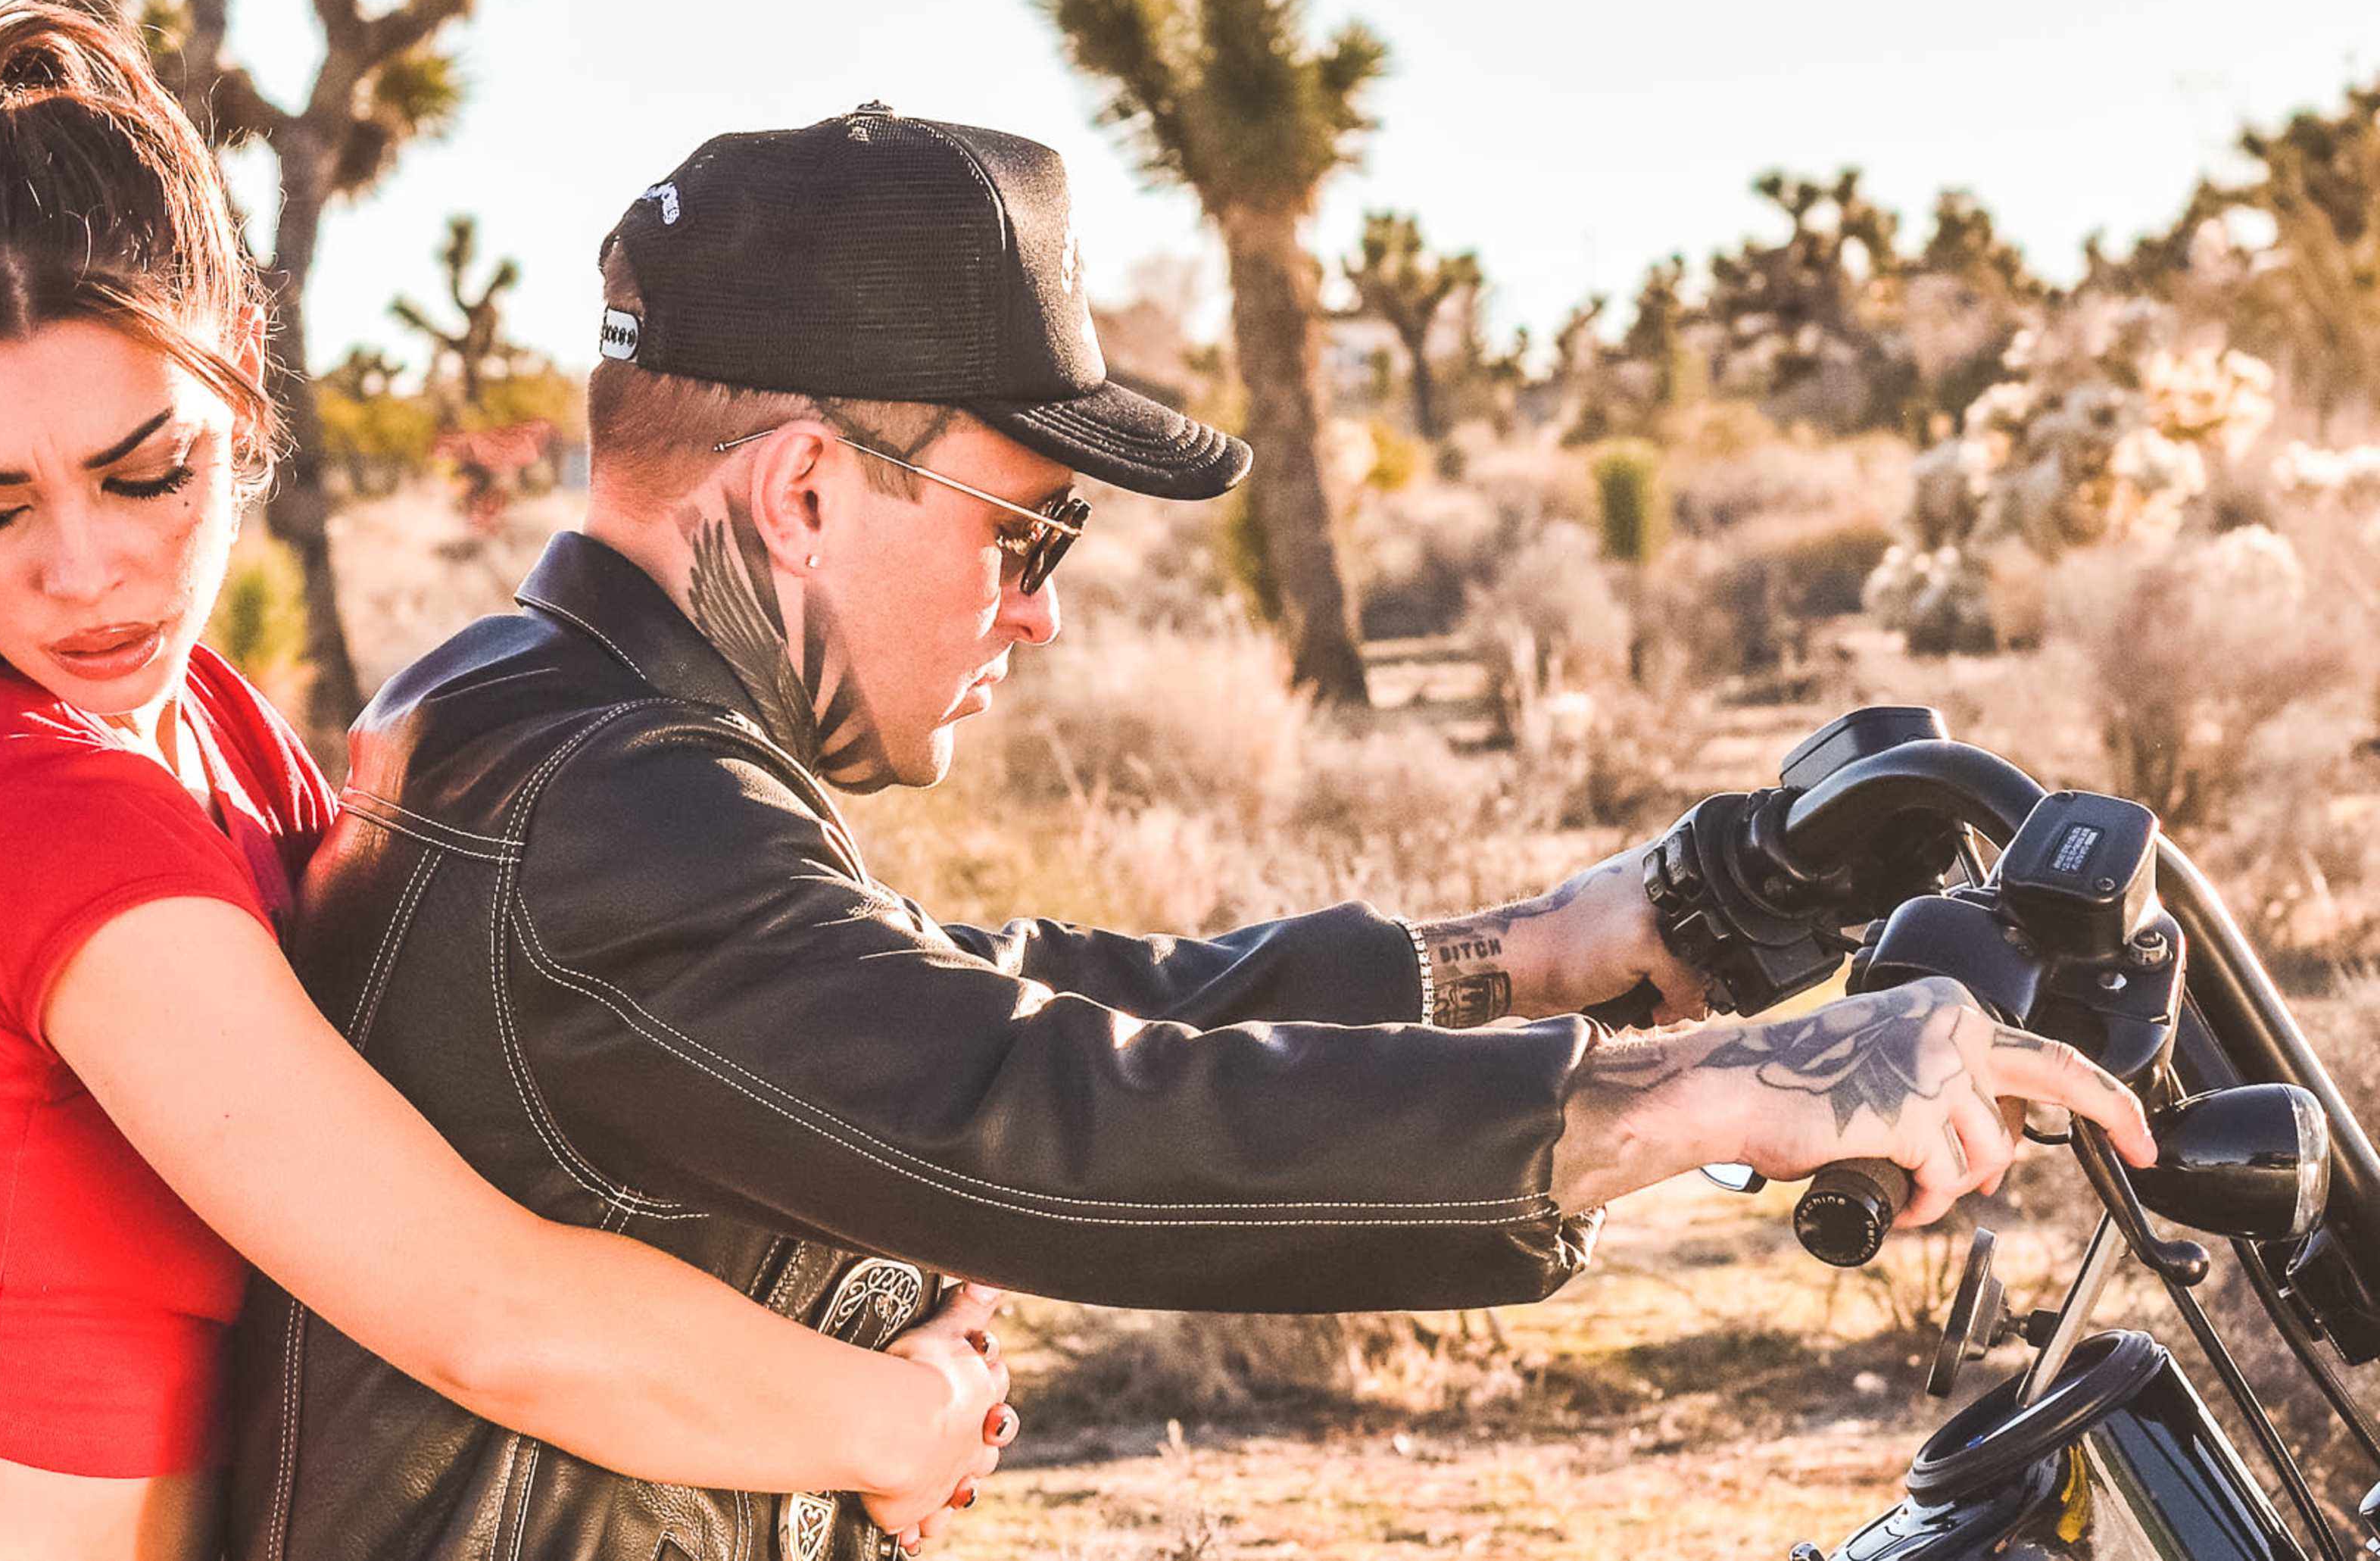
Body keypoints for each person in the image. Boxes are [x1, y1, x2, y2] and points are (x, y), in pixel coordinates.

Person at [232, 102, 2157, 1561]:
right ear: (808, 487)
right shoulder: (608, 807)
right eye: (1027, 528)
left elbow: (973, 992)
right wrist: (1711, 1090)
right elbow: (1045, 1110)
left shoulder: (538, 711)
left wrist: (1561, 951)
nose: (1043, 608)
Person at [0, 7, 1010, 1561]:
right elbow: (483, 1309)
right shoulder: (21, 800)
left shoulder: (219, 735)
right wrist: (890, 1418)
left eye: (144, 472)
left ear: (242, 379)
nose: (83, 567)